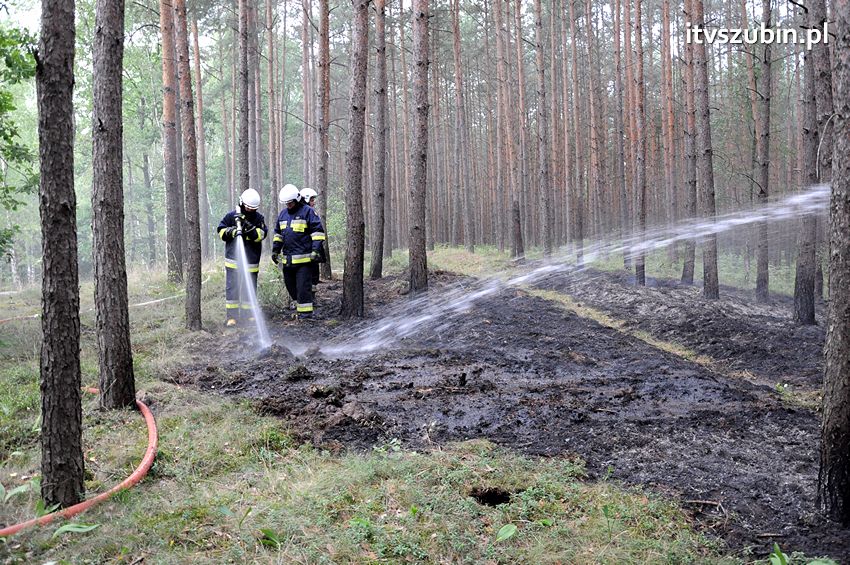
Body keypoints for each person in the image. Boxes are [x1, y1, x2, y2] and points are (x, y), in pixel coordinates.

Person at [272, 184, 325, 319]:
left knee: (303, 289)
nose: (288, 205)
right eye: (286, 203)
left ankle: (306, 315)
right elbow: (278, 234)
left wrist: (315, 251)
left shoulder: (308, 212)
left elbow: (317, 232)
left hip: (304, 261)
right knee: (291, 287)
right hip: (288, 261)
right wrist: (275, 250)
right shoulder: (283, 214)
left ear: (297, 199)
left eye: (290, 203)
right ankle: (299, 309)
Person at [217, 188, 267, 327]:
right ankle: (232, 317)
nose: (250, 210)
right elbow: (220, 231)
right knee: (232, 289)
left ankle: (248, 316)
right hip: (233, 262)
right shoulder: (231, 216)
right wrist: (232, 231)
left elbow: (261, 235)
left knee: (249, 289)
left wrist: (247, 227)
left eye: (253, 208)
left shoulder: (258, 218)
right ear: (242, 202)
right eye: (248, 207)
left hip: (251, 262)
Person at [299, 187, 324, 289]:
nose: (314, 203)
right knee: (310, 277)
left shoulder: (307, 212)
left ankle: (311, 296)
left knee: (312, 278)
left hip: (309, 251)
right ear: (306, 199)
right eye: (312, 200)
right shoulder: (308, 213)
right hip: (307, 251)